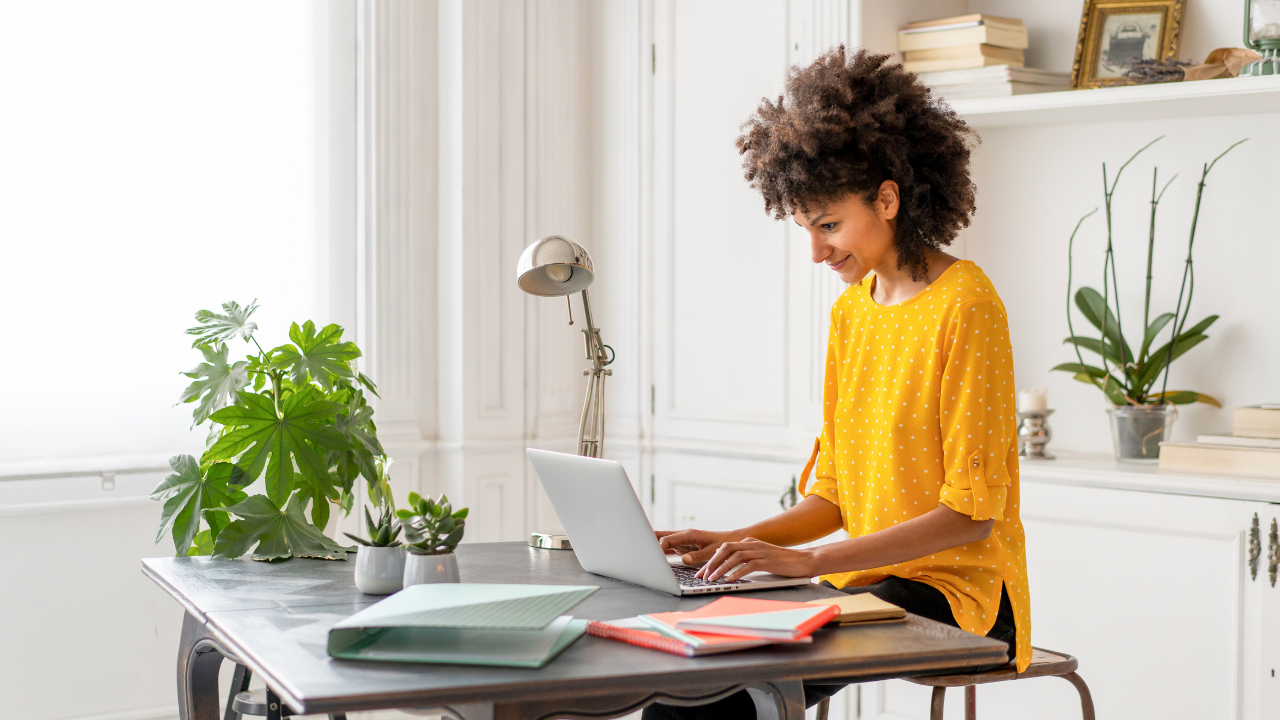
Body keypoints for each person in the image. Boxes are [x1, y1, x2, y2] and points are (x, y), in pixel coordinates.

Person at [645, 46, 1031, 720]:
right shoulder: (852, 312)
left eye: (829, 225)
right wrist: (732, 540)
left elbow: (971, 515)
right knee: (684, 687)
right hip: (860, 583)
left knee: (711, 706)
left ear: (888, 198)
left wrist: (807, 563)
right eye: (805, 229)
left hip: (958, 599)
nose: (817, 251)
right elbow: (834, 495)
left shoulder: (967, 305)